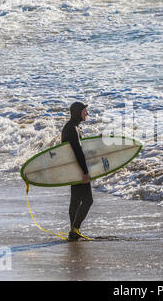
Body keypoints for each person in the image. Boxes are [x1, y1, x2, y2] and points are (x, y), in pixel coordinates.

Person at [61, 101, 92, 241]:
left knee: (76, 200)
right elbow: (78, 151)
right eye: (84, 110)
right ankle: (75, 229)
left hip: (74, 169)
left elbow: (82, 149)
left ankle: (73, 231)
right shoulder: (71, 128)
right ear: (78, 111)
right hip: (78, 169)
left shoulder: (73, 127)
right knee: (87, 200)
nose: (87, 113)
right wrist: (85, 172)